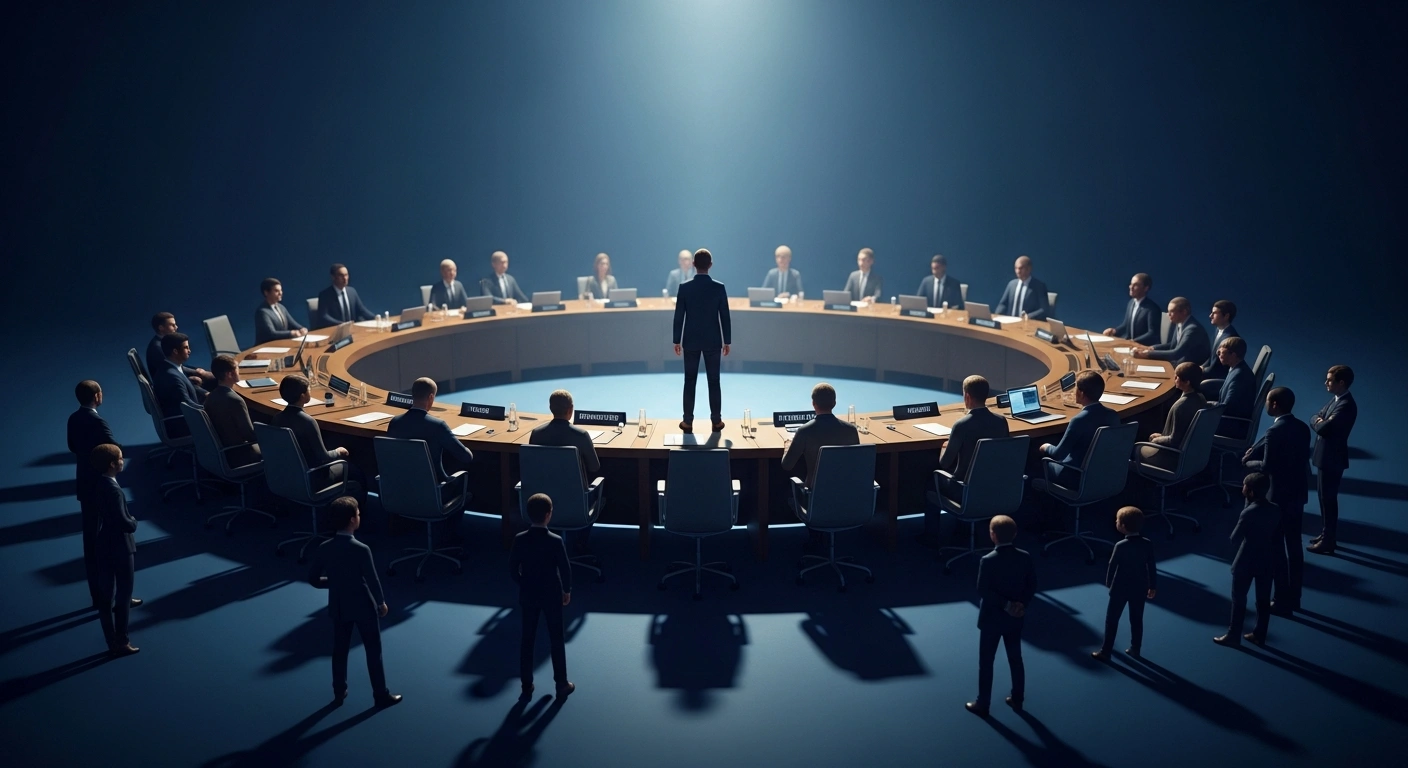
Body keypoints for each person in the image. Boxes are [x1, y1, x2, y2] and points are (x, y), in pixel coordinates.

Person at [308, 496, 402, 707]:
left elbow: (313, 579)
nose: (359, 516)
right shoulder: (361, 549)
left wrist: (334, 582)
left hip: (339, 606)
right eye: (358, 514)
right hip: (363, 606)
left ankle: (339, 691)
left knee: (339, 650)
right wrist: (381, 603)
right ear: (352, 520)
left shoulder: (324, 547)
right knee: (373, 651)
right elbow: (372, 580)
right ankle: (380, 695)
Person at [67, 381, 139, 611]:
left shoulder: (73, 418)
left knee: (90, 542)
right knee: (115, 542)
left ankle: (98, 596)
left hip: (84, 484)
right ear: (97, 396)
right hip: (101, 485)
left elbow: (72, 447)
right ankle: (120, 597)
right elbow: (114, 447)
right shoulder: (98, 421)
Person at [1243, 386, 1311, 613]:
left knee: (1276, 549)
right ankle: (1295, 597)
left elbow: (1266, 466)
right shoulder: (1302, 427)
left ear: (1274, 405)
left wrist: (1248, 463)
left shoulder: (1274, 431)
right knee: (1295, 546)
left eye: (1267, 401)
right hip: (1298, 493)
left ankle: (1281, 599)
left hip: (1278, 497)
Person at [966, 515, 1036, 716]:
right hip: (1015, 618)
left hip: (991, 620)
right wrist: (1020, 605)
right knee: (1016, 658)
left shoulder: (987, 561)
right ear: (1015, 534)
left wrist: (1006, 605)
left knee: (986, 662)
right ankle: (1017, 698)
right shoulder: (1025, 557)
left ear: (992, 535)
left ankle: (983, 703)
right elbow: (1032, 585)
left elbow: (983, 590)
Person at [509, 493, 575, 700]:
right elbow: (565, 569)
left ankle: (526, 685)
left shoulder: (520, 539)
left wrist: (523, 583)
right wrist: (566, 590)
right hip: (551, 595)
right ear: (548, 515)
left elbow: (512, 569)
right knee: (556, 638)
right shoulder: (555, 541)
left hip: (529, 594)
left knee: (527, 638)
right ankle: (561, 684)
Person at [529, 390, 602, 552]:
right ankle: (579, 546)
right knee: (600, 496)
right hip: (576, 503)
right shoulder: (581, 435)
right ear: (571, 409)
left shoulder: (537, 434)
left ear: (550, 408)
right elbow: (594, 467)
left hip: (544, 500)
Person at [1216, 473, 1280, 646]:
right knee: (1263, 599)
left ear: (1250, 492)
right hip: (1267, 559)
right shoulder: (1275, 508)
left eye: (1244, 486)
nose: (1242, 488)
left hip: (1246, 560)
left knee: (1239, 599)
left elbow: (1234, 538)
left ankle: (1233, 635)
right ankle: (1260, 635)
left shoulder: (1248, 512)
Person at [672, 248, 731, 433]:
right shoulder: (719, 287)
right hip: (713, 340)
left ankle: (687, 421)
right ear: (710, 265)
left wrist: (676, 340)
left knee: (689, 381)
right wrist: (727, 341)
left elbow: (679, 316)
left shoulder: (684, 287)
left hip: (690, 340)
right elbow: (725, 316)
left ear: (693, 264)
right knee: (714, 381)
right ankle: (716, 421)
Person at [90, 444, 140, 657]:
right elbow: (124, 522)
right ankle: (122, 641)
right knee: (124, 591)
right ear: (112, 464)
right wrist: (133, 522)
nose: (123, 460)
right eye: (120, 458)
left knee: (106, 594)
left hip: (104, 543)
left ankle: (110, 640)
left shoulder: (100, 483)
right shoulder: (115, 491)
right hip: (120, 545)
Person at [1091, 506, 1156, 660]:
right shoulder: (1147, 544)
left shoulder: (1120, 546)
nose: (1116, 522)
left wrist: (1108, 582)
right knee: (1136, 619)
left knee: (1112, 620)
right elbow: (1151, 566)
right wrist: (1152, 586)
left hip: (1120, 588)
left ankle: (1106, 651)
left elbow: (1112, 566)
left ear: (1123, 526)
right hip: (1140, 588)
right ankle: (1135, 649)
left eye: (1117, 521)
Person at [274, 375, 356, 490]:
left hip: (287, 474)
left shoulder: (277, 418)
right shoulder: (308, 422)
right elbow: (323, 457)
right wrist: (338, 451)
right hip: (313, 477)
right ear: (302, 396)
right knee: (355, 470)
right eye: (308, 390)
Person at [1308, 365, 1357, 555]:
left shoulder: (1345, 405)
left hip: (1332, 459)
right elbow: (1316, 417)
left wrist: (1319, 421)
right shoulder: (1336, 400)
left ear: (1341, 383)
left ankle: (1328, 540)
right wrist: (1319, 420)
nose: (1325, 383)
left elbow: (1322, 428)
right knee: (1324, 498)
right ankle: (1325, 534)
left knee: (1328, 500)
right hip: (1325, 457)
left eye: (1329, 380)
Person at [387, 377, 474, 481]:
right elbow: (466, 457)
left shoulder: (395, 422)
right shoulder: (438, 426)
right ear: (431, 397)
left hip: (399, 484)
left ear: (412, 394)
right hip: (433, 487)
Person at [1039, 372, 1120, 481]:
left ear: (1081, 393)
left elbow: (1059, 454)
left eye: (1075, 388)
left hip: (1077, 475)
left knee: (1038, 460)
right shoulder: (1113, 415)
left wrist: (1046, 446)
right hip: (1103, 473)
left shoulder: (1079, 420)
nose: (1074, 392)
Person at [936, 375, 1008, 498]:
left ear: (967, 396)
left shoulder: (961, 425)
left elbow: (945, 463)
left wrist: (944, 448)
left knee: (930, 482)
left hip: (964, 489)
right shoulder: (1001, 421)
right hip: (993, 486)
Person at [781, 383, 860, 489]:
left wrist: (787, 446)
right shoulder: (851, 430)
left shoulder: (804, 431)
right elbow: (856, 464)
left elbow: (787, 465)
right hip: (847, 493)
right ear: (834, 403)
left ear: (813, 403)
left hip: (815, 495)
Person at [1136, 362, 1208, 470]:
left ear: (1187, 382)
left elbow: (1174, 441)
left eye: (1177, 377)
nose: (1174, 379)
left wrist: (1157, 440)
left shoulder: (1181, 406)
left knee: (1134, 448)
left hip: (1171, 457)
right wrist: (1162, 436)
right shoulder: (1201, 398)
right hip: (1194, 454)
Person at [204, 355, 261, 467]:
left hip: (223, 448)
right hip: (240, 453)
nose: (239, 372)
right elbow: (250, 435)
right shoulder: (235, 400)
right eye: (237, 369)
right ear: (229, 374)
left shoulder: (211, 396)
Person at [1133, 296, 1210, 366]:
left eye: (1172, 311)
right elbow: (1172, 345)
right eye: (1168, 311)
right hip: (1177, 363)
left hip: (1188, 370)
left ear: (1184, 312)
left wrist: (1148, 354)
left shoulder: (1192, 329)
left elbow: (1176, 353)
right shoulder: (1180, 322)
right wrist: (1151, 348)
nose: (1168, 314)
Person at [152, 333, 202, 435]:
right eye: (186, 348)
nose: (189, 351)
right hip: (186, 425)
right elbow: (187, 405)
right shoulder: (171, 376)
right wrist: (212, 407)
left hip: (188, 417)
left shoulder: (172, 367)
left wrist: (207, 394)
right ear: (175, 351)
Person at [145, 312, 213, 389]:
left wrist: (197, 370)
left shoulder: (163, 342)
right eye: (172, 325)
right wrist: (198, 373)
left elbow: (177, 366)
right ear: (161, 328)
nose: (176, 327)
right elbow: (171, 368)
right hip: (171, 385)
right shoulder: (158, 348)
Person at [1206, 336, 1256, 438]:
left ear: (1233, 355)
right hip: (1228, 420)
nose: (1218, 354)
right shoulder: (1235, 368)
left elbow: (1228, 407)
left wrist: (1207, 404)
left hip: (1230, 426)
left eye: (1221, 352)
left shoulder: (1239, 375)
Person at [1103, 273, 1159, 345]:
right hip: (1131, 344)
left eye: (1135, 285)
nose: (1131, 287)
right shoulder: (1131, 303)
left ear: (1146, 288)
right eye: (1131, 284)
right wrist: (1114, 331)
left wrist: (1133, 341)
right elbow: (1126, 325)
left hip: (1145, 347)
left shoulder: (1152, 308)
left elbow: (1152, 333)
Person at [994, 255, 1050, 320]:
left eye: (1020, 268)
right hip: (1010, 322)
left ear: (1028, 269)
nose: (1018, 271)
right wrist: (996, 315)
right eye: (1016, 268)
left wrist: (1029, 316)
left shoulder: (1039, 286)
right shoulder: (1011, 284)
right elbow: (1003, 304)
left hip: (1028, 323)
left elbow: (1044, 309)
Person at [254, 277, 308, 344]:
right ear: (266, 293)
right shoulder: (262, 312)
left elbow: (292, 323)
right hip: (267, 346)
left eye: (281, 290)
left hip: (282, 344)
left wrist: (302, 329)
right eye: (276, 291)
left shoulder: (281, 307)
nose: (280, 293)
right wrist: (291, 333)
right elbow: (271, 333)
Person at [1201, 300, 1240, 380]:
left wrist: (1200, 370)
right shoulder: (1218, 330)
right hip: (1211, 373)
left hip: (1219, 379)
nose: (1210, 316)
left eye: (1214, 313)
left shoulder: (1229, 338)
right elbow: (1212, 357)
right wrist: (1202, 367)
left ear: (1226, 316)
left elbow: (1218, 368)